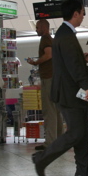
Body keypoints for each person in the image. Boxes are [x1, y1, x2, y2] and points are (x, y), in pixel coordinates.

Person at [32, 0, 88, 176]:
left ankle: (83, 171)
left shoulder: (64, 34)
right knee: (76, 133)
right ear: (75, 13)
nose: (83, 16)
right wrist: (87, 85)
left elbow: (71, 61)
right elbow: (73, 66)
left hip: (72, 93)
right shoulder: (66, 36)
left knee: (83, 133)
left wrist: (82, 59)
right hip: (70, 93)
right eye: (82, 12)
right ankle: (41, 159)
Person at [26, 19, 63, 151]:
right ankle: (59, 140)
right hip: (54, 78)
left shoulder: (45, 39)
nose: (36, 30)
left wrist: (36, 62)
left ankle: (50, 142)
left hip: (48, 78)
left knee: (49, 111)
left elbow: (48, 55)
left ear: (43, 27)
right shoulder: (50, 39)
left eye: (37, 27)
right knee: (56, 110)